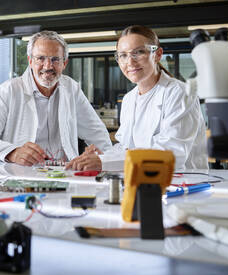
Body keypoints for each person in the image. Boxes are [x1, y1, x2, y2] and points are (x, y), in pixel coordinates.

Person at [66, 25, 208, 171]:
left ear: (158, 54)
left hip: (185, 184)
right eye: (123, 55)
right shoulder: (129, 99)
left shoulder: (179, 93)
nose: (130, 62)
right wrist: (102, 156)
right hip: (144, 181)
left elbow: (172, 155)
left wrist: (105, 162)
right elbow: (125, 147)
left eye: (139, 52)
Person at [0, 30, 112, 166]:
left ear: (65, 63)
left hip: (65, 173)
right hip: (20, 175)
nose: (48, 66)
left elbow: (97, 133)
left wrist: (104, 160)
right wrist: (12, 153)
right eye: (40, 58)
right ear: (30, 61)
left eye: (55, 59)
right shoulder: (6, 92)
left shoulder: (71, 89)